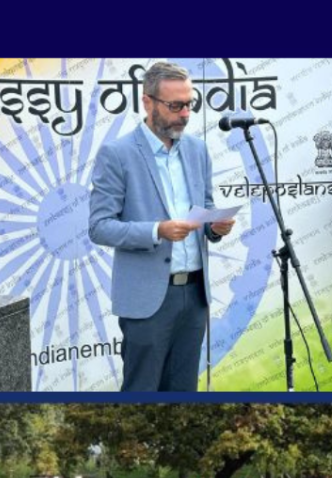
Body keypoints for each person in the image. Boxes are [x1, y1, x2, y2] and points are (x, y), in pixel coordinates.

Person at [88, 61, 234, 392]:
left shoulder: (197, 149)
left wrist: (215, 227)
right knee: (142, 391)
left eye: (189, 105)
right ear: (147, 102)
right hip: (148, 301)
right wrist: (157, 231)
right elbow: (99, 227)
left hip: (194, 297)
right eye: (175, 106)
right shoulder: (117, 154)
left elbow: (205, 208)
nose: (185, 114)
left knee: (184, 392)